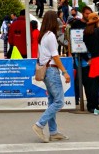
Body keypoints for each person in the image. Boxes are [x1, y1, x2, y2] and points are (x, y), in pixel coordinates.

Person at [32, 11, 70, 142]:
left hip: (46, 71)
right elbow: (55, 56)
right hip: (52, 70)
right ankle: (39, 124)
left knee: (52, 101)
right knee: (59, 101)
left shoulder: (42, 36)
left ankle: (53, 131)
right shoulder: (51, 36)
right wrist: (65, 72)